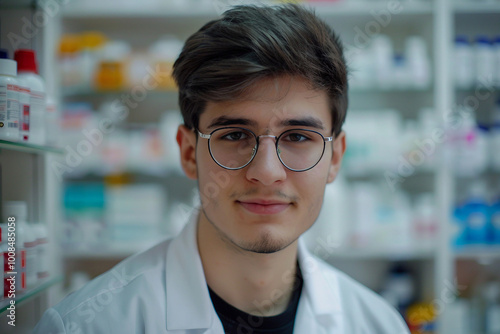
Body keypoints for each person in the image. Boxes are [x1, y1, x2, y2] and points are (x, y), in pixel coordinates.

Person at [34, 4, 410, 334]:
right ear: (187, 151)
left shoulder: (378, 323)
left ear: (335, 158)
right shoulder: (85, 325)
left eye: (297, 137)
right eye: (234, 135)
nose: (266, 172)